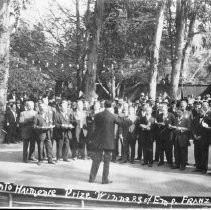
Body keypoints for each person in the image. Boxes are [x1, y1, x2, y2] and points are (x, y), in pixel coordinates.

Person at [89, 100, 121, 184]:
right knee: (107, 162)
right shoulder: (113, 116)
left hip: (98, 141)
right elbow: (120, 122)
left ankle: (91, 178)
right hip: (108, 142)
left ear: (104, 106)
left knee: (96, 160)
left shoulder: (98, 115)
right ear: (111, 107)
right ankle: (104, 179)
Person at [156, 103, 176, 167]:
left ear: (167, 108)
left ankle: (170, 162)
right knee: (161, 149)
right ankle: (161, 161)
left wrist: (171, 127)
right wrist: (159, 125)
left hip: (169, 135)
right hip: (161, 135)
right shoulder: (159, 115)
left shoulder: (171, 115)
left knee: (169, 149)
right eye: (162, 108)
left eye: (164, 108)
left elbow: (175, 124)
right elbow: (157, 124)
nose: (163, 109)